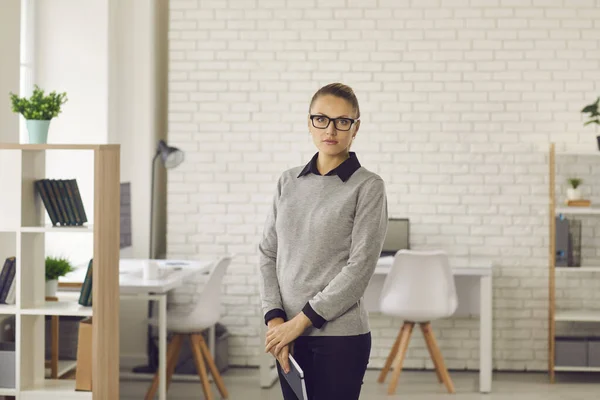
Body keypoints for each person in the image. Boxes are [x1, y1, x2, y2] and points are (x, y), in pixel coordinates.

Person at [258, 82, 389, 400]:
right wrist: (276, 320)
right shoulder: (288, 181)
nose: (331, 129)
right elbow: (268, 252)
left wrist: (299, 323)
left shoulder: (368, 187)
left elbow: (358, 271)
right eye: (321, 118)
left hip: (340, 338)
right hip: (286, 333)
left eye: (343, 121)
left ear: (355, 128)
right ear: (309, 122)